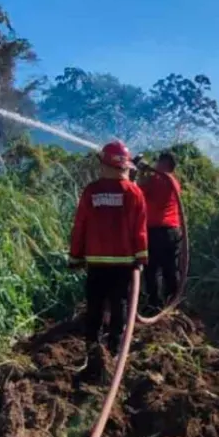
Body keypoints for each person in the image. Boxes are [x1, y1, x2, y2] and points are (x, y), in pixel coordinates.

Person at [69, 140, 148, 361]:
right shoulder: (134, 193)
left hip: (96, 262)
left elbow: (80, 226)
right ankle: (115, 348)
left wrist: (75, 256)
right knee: (119, 303)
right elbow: (140, 230)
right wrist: (141, 258)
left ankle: (92, 347)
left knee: (94, 303)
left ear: (104, 166)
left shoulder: (91, 191)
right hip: (124, 262)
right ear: (125, 167)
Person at [138, 151, 182, 315]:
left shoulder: (157, 179)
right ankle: (172, 303)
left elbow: (138, 190)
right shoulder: (174, 182)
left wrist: (141, 171)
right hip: (173, 231)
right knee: (170, 268)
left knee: (152, 269)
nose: (155, 164)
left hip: (157, 231)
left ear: (164, 164)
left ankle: (154, 305)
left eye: (158, 162)